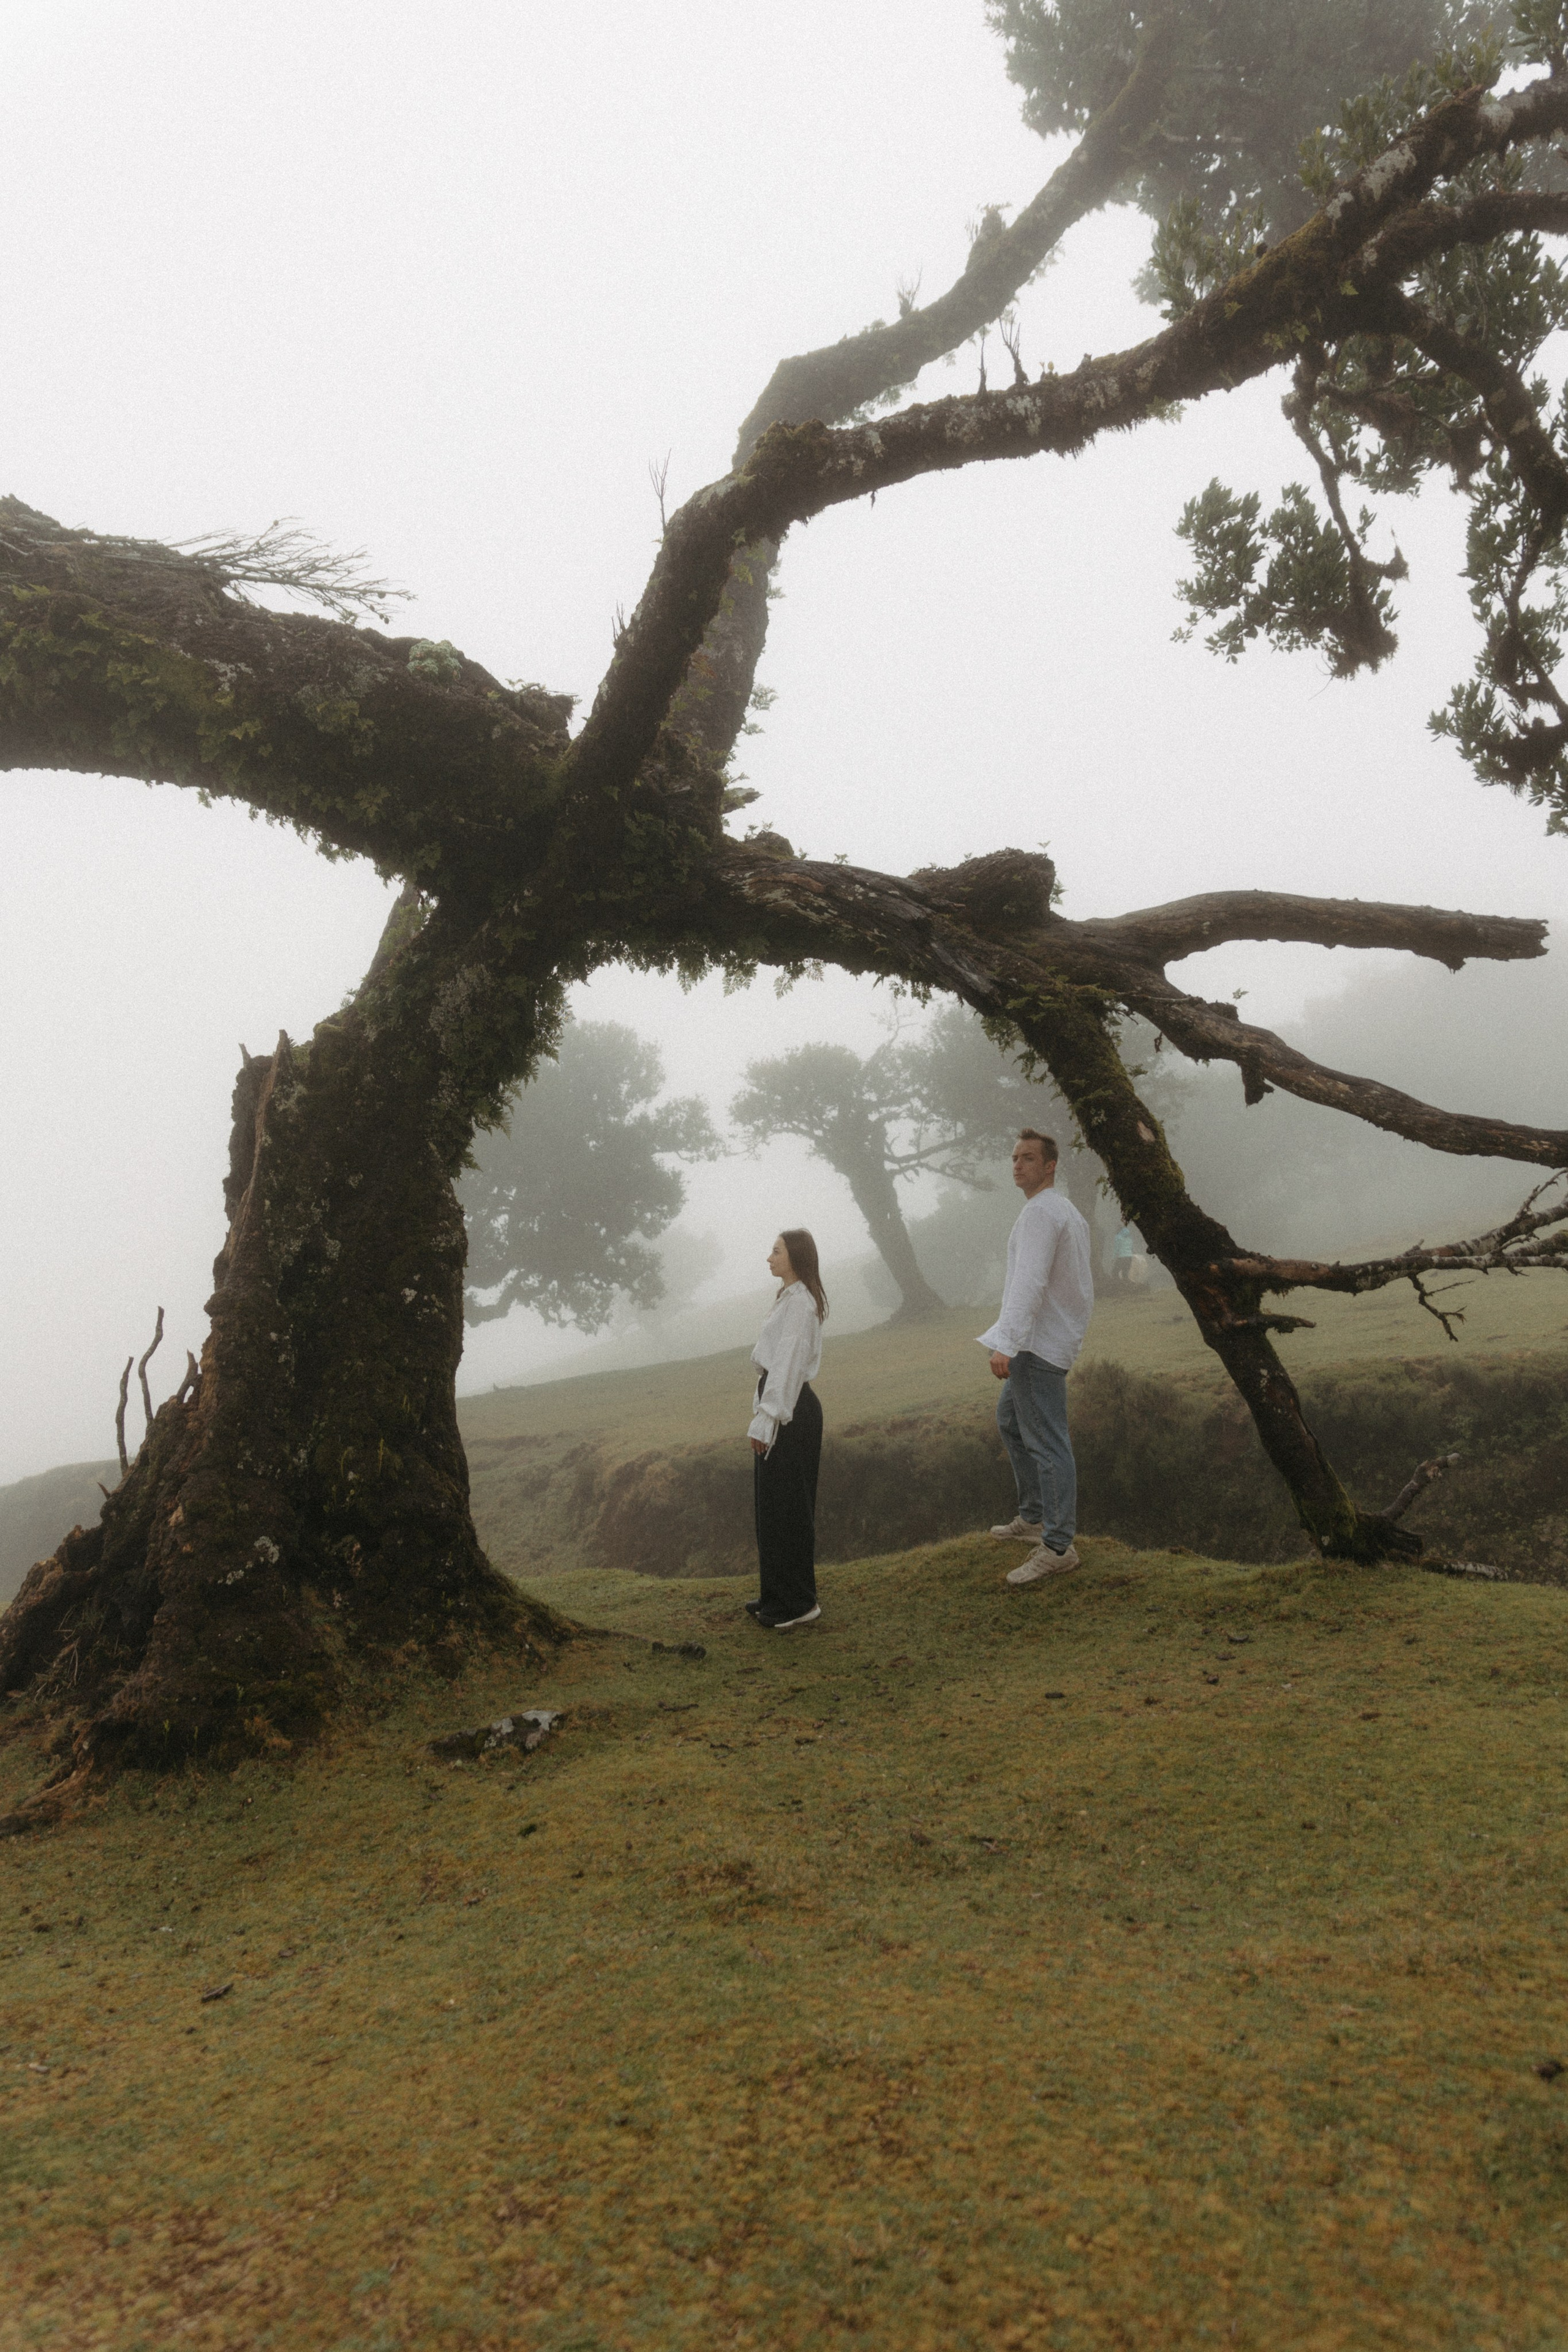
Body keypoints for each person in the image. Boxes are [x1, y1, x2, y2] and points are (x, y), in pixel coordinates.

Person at [978, 1129, 1095, 1588]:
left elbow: (1030, 1282)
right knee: (1009, 1419)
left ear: (1050, 1166)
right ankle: (1033, 1517)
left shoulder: (1043, 1214)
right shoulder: (1058, 1211)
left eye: (1028, 1158)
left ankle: (1059, 1545)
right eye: (1014, 1158)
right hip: (1046, 1340)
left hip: (1037, 1345)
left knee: (1048, 1443)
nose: (1017, 1165)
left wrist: (1007, 1341)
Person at [745, 1228, 827, 1630]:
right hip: (782, 1404)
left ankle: (799, 1601)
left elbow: (788, 1367)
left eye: (775, 1251)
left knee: (789, 1508)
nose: (769, 1258)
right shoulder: (790, 1298)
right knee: (772, 1507)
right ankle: (776, 1593)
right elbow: (773, 1365)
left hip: (791, 1412)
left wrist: (767, 1420)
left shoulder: (801, 1305)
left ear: (794, 1256)